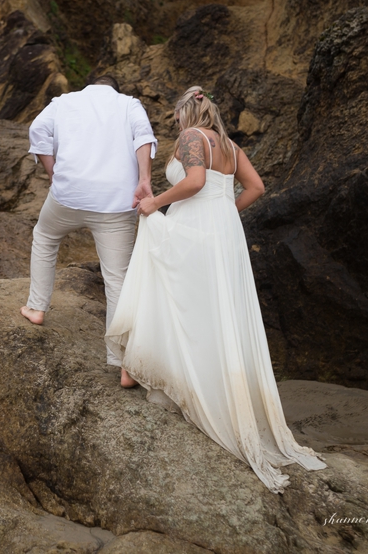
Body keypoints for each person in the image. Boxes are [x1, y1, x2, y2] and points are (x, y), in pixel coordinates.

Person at [107, 86, 326, 493]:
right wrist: (224, 212)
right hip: (224, 233)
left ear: (186, 116)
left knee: (175, 292)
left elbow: (193, 181)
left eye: (176, 120)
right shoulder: (230, 145)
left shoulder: (193, 138)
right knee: (214, 310)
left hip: (197, 228)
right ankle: (165, 372)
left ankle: (145, 370)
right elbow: (256, 188)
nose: (176, 127)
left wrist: (157, 204)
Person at [22, 74, 157, 379]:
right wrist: (144, 180)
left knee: (45, 237)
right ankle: (124, 363)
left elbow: (37, 130)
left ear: (91, 85)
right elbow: (144, 137)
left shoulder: (65, 101)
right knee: (116, 280)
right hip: (117, 201)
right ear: (115, 89)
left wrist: (52, 172)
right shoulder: (129, 104)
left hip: (69, 195)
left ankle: (37, 308)